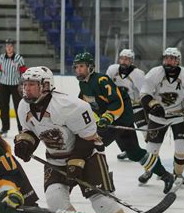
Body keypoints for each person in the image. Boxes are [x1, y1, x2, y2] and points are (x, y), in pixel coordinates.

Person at [14, 66, 149, 213]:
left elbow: (88, 137)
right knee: (55, 200)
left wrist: (76, 163)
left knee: (102, 202)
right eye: (25, 84)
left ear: (46, 86)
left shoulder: (71, 106)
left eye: (32, 84)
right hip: (56, 158)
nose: (26, 89)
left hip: (89, 155)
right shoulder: (24, 106)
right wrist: (26, 143)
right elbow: (30, 130)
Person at [73, 52, 175, 194]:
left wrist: (107, 118)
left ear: (90, 67)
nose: (78, 70)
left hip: (120, 118)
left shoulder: (101, 80)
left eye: (82, 66)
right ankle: (165, 175)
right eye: (77, 67)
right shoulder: (83, 83)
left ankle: (104, 183)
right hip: (114, 120)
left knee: (94, 145)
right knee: (134, 152)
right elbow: (84, 104)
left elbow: (117, 102)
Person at [140, 47, 184, 185]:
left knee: (182, 148)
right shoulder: (154, 73)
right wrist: (154, 106)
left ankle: (178, 174)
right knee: (151, 150)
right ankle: (149, 171)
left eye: (172, 59)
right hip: (158, 117)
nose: (168, 61)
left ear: (178, 61)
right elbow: (145, 94)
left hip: (180, 116)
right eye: (166, 58)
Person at [105, 49, 148, 169]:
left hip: (135, 106)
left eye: (127, 59)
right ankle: (127, 150)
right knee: (119, 129)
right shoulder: (112, 70)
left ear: (132, 61)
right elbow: (106, 86)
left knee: (145, 129)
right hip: (119, 107)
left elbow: (144, 91)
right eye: (122, 58)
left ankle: (151, 148)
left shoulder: (138, 74)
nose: (124, 61)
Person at [0, 39, 27, 137]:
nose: (9, 48)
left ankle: (21, 129)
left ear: (13, 47)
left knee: (19, 108)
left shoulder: (19, 59)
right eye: (7, 46)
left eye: (10, 46)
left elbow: (23, 72)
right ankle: (4, 129)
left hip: (16, 86)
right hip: (3, 85)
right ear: (5, 48)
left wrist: (23, 85)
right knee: (3, 107)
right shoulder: (1, 58)